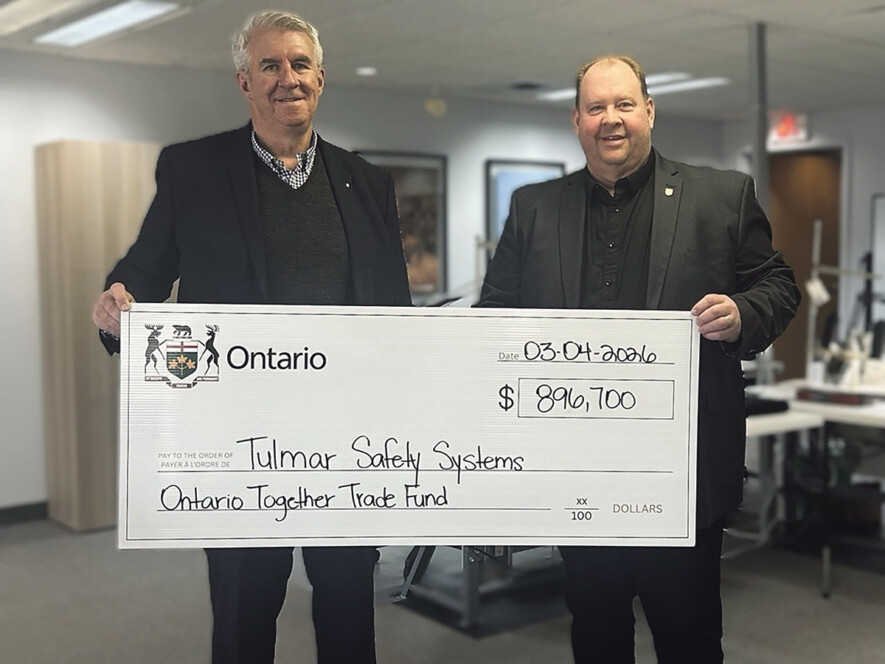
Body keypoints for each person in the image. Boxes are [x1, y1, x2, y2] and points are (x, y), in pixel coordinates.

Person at [91, 10, 410, 664]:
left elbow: (394, 315)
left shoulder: (368, 184)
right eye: (270, 65)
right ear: (244, 82)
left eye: (300, 64)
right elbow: (146, 267)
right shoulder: (194, 170)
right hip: (237, 446)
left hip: (346, 445)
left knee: (349, 608)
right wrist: (120, 297)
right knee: (244, 611)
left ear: (320, 78)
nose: (287, 78)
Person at [477, 54, 800, 663]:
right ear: (576, 120)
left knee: (689, 640)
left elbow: (778, 285)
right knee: (596, 637)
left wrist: (741, 312)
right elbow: (494, 315)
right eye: (596, 107)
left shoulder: (720, 196)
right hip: (576, 477)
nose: (611, 119)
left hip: (680, 477)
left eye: (624, 104)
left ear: (649, 111)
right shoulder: (533, 208)